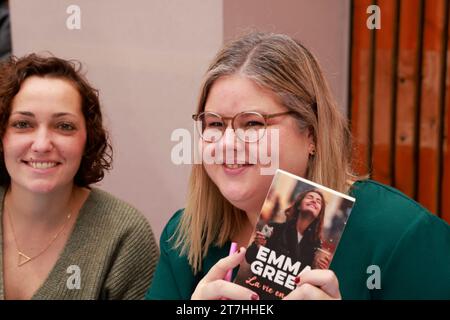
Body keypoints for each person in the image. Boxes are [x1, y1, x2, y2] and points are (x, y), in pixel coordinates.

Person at [146, 32, 450, 300]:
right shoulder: (185, 236)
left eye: (252, 123)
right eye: (214, 124)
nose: (227, 144)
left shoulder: (400, 235)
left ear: (312, 134)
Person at [0, 54, 158, 299]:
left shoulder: (124, 236)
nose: (42, 144)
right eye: (23, 124)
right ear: (2, 137)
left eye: (64, 126)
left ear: (88, 140)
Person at [249, 189, 327, 274]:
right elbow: (249, 257)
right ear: (299, 206)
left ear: (319, 214)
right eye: (310, 197)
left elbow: (306, 277)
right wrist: (259, 247)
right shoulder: (272, 228)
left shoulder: (316, 245)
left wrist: (318, 270)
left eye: (318, 201)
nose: (314, 201)